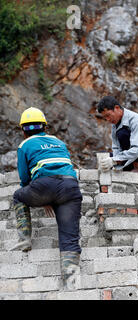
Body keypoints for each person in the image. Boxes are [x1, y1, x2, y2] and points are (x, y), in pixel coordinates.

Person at [12, 107, 82, 290]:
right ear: (44, 126)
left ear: (23, 130)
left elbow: (25, 179)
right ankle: (71, 285)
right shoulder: (58, 141)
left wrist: (42, 197)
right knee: (69, 238)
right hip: (70, 187)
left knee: (18, 196)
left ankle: (25, 239)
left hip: (43, 186)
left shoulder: (24, 145)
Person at [97, 96, 138, 174]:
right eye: (105, 117)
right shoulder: (115, 125)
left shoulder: (137, 121)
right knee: (103, 156)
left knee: (123, 134)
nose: (108, 119)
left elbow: (137, 149)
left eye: (108, 115)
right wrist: (114, 161)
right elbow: (116, 148)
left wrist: (114, 160)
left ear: (117, 108)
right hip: (129, 158)